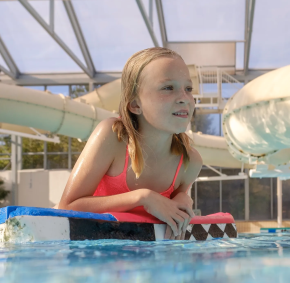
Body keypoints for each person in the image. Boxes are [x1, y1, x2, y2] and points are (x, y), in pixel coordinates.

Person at [57, 47, 203, 238]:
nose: (185, 98)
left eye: (188, 89)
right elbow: (67, 206)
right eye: (168, 88)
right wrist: (142, 198)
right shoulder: (113, 138)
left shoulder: (190, 162)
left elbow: (174, 215)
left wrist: (184, 199)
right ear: (135, 104)